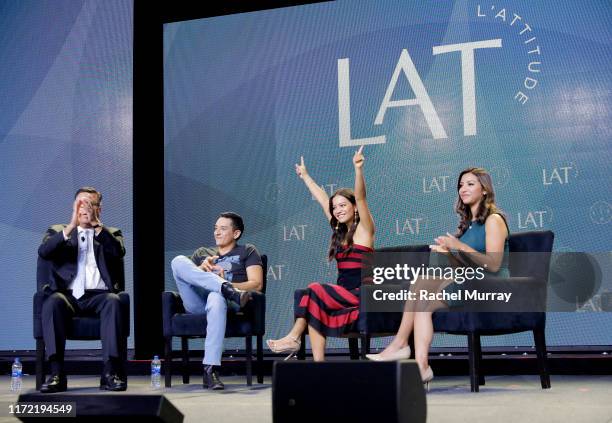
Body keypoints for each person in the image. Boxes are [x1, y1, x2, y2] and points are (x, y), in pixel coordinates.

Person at [365, 167, 510, 389]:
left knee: (421, 282)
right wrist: (448, 254)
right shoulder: (468, 226)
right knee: (423, 301)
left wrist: (458, 246)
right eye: (461, 185)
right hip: (470, 282)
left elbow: (493, 264)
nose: (463, 189)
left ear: (484, 189)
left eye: (470, 184)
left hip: (491, 286)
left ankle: (400, 343)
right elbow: (466, 264)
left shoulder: (494, 220)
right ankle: (422, 365)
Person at [267, 146, 375, 361]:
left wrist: (358, 169)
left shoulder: (365, 229)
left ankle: (294, 337)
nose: (338, 210)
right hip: (342, 294)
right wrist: (305, 177)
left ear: (354, 208)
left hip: (363, 294)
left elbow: (361, 198)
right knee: (314, 304)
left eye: (343, 205)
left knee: (314, 289)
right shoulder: (338, 230)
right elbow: (321, 198)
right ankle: (319, 365)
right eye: (335, 208)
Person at [38, 187, 127, 393]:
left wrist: (96, 226)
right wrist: (70, 226)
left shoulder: (111, 233)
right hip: (67, 297)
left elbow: (117, 252)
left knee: (114, 301)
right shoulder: (58, 231)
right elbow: (44, 252)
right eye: (81, 203)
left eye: (90, 204)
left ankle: (110, 373)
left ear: (99, 209)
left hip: (99, 296)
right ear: (73, 207)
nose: (85, 208)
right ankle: (57, 373)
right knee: (52, 302)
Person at [170, 212, 263, 390]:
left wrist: (224, 283)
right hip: (197, 302)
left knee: (216, 295)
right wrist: (200, 269)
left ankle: (210, 369)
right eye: (215, 228)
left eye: (223, 228)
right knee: (178, 261)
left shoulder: (247, 251)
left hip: (226, 304)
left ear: (236, 234)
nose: (217, 232)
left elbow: (256, 284)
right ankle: (225, 288)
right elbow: (187, 276)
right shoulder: (202, 253)